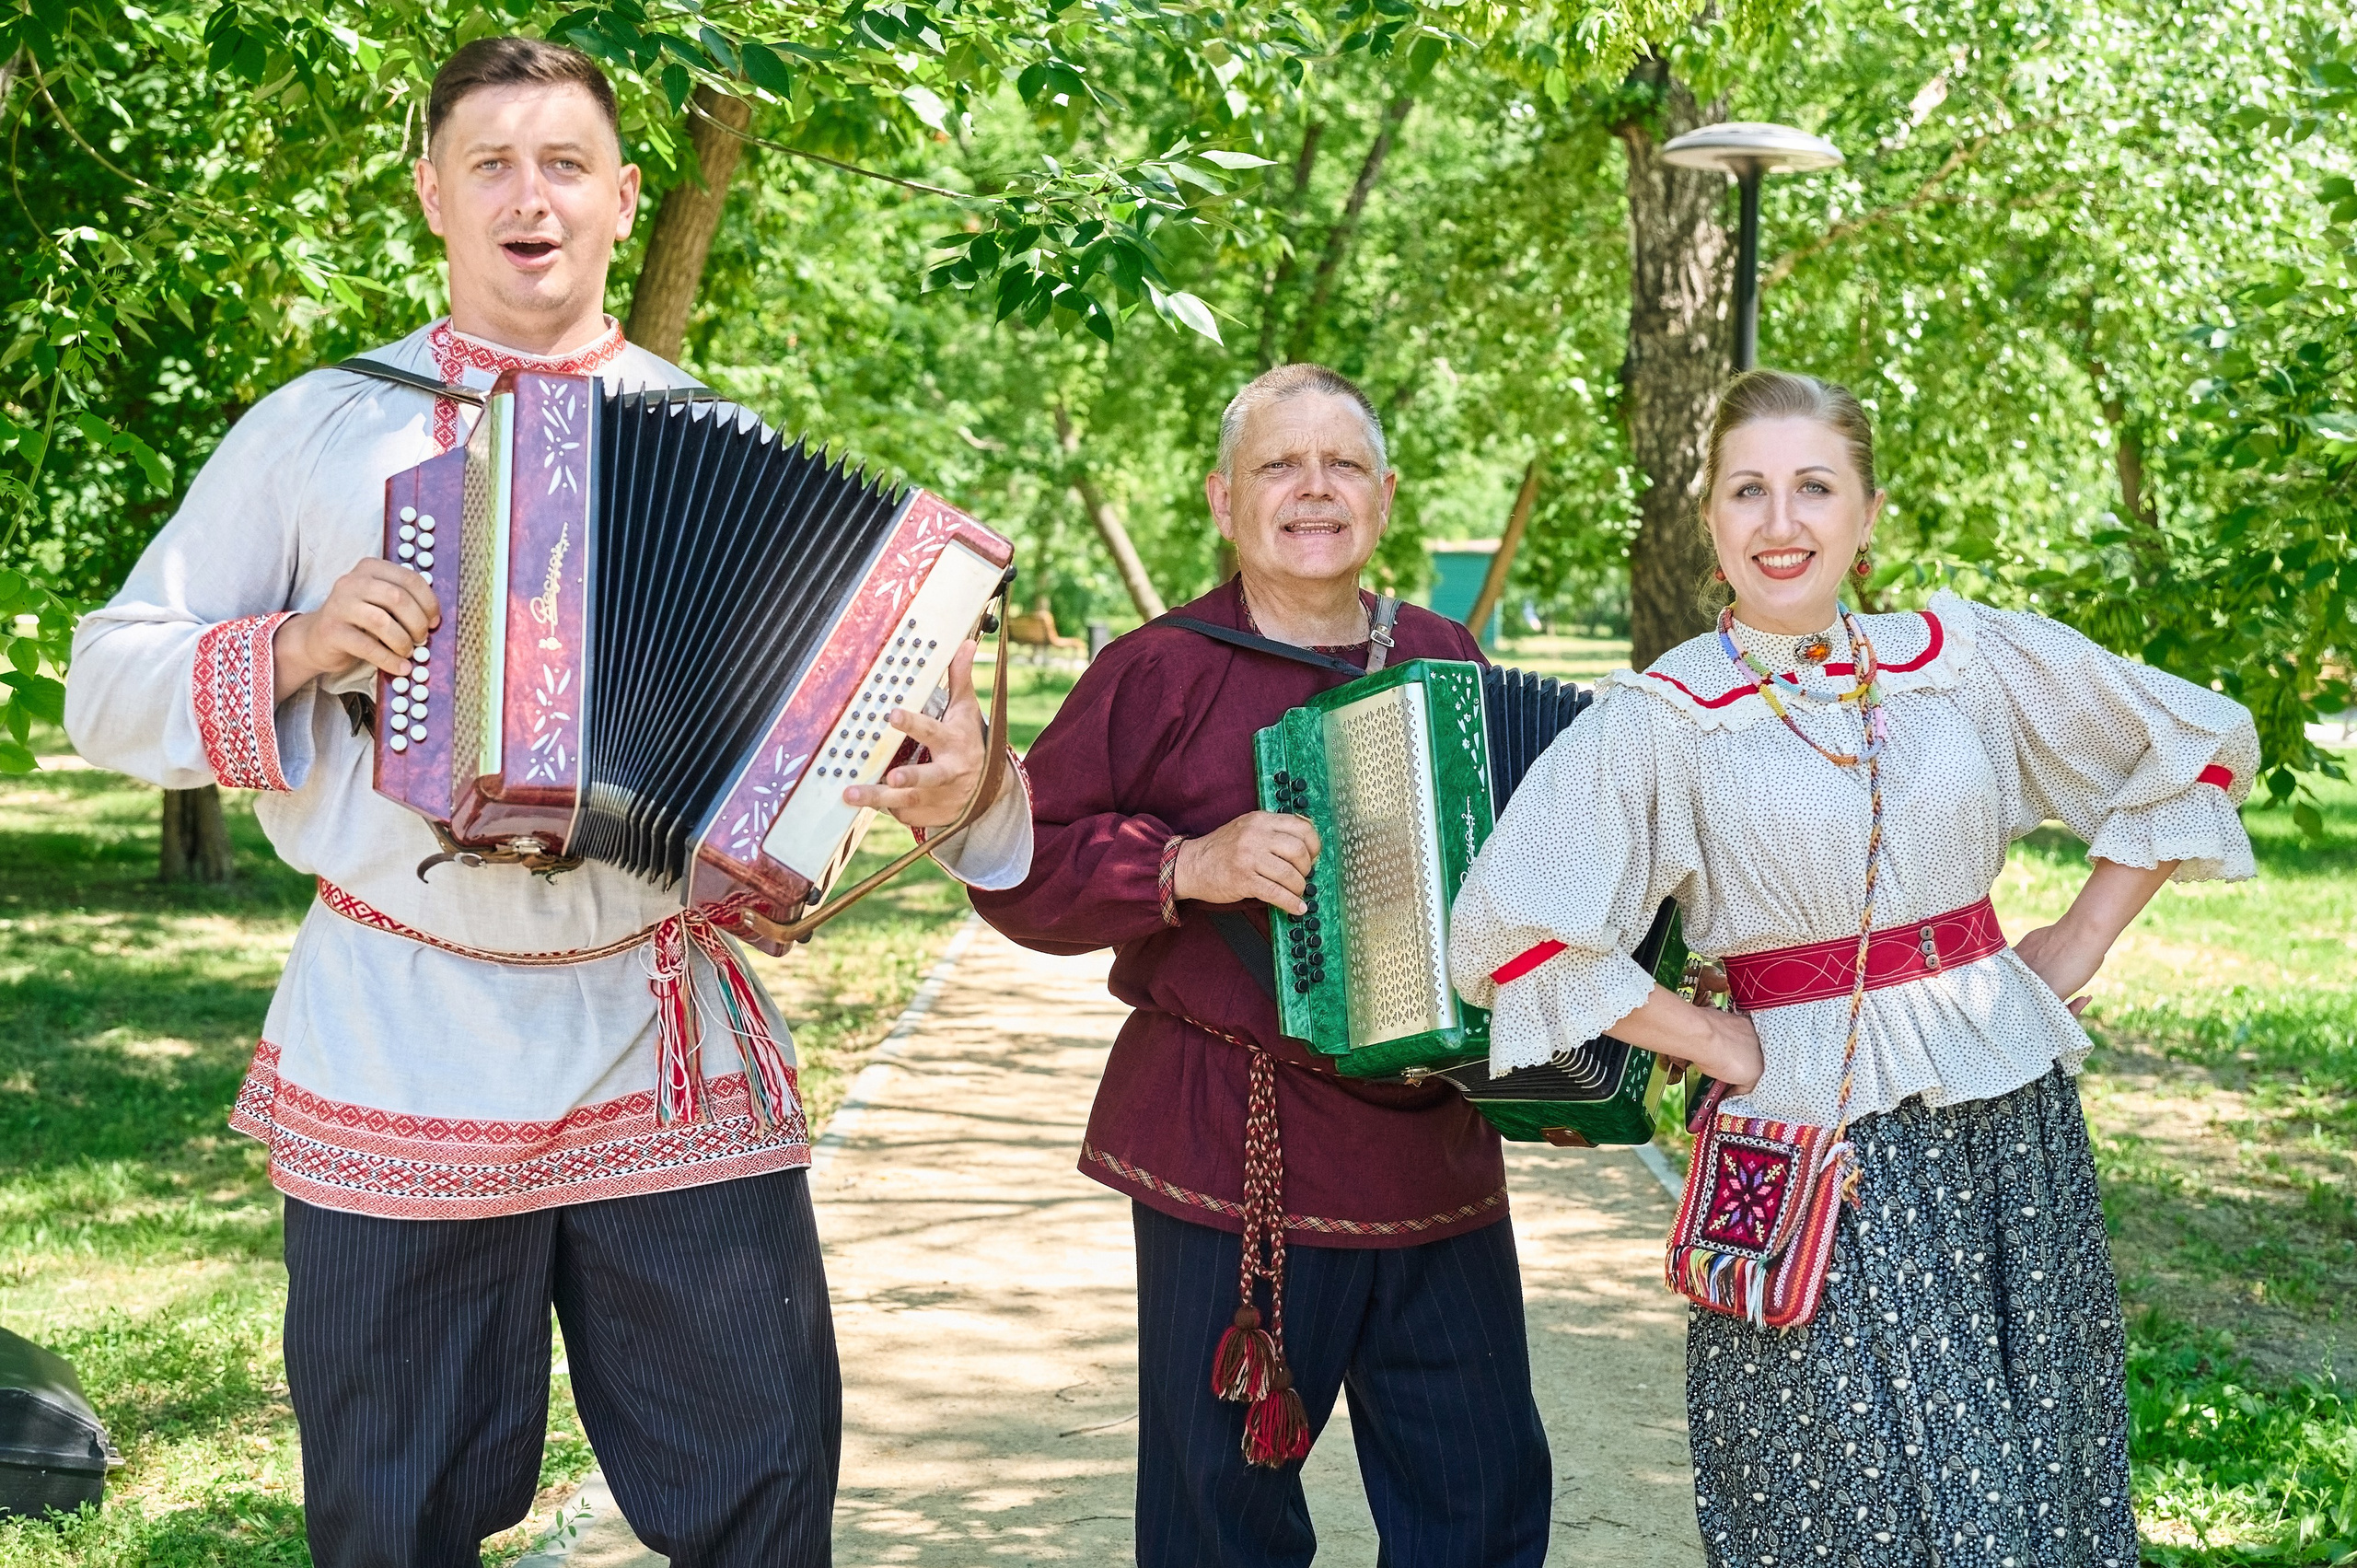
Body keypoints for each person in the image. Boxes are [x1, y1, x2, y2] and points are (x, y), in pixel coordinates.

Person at [64, 37, 1031, 1568]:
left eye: (566, 164)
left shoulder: (719, 438)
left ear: (625, 199)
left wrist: (938, 787)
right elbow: (102, 686)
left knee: (766, 1500)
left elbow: (806, 777)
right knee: (394, 1519)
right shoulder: (319, 425)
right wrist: (304, 645)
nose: (532, 198)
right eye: (494, 164)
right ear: (432, 193)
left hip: (665, 1052)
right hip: (404, 1038)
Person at [1449, 368, 2258, 1567]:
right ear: (1710, 516)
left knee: (2042, 1473)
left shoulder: (1959, 661)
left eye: (1814, 488)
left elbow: (2189, 740)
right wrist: (1713, 1037)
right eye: (1749, 491)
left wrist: (2079, 936)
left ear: (1868, 511)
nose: (1782, 523)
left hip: (2009, 1122)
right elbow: (1510, 928)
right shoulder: (1665, 716)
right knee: (1853, 1502)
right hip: (1814, 1147)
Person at [970, 363, 1552, 1568]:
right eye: (1280, 464)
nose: (1314, 488)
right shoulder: (1157, 670)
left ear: (1384, 499)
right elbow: (1018, 867)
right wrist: (1190, 865)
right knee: (1218, 1528)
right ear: (1225, 501)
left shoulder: (1444, 653)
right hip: (1230, 1157)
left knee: (1484, 1503)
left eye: (1342, 464)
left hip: (1437, 1152)